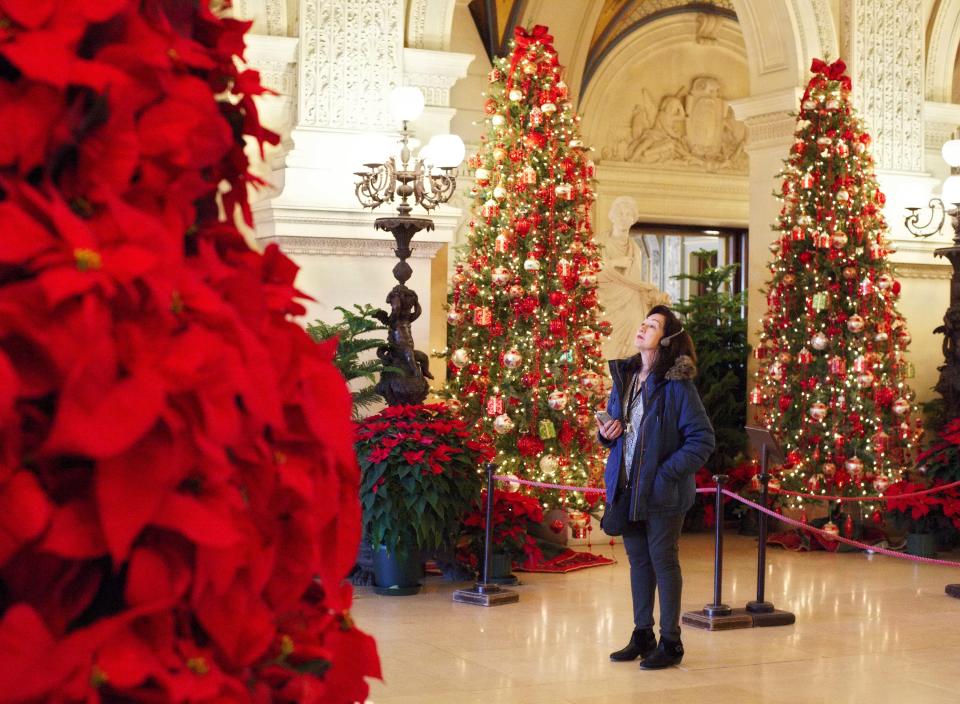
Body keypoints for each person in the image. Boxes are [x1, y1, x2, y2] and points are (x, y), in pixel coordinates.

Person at [597, 304, 715, 669]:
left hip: (663, 492)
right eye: (643, 322)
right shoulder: (627, 376)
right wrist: (607, 433)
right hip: (627, 488)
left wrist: (665, 474)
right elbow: (615, 428)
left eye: (652, 325)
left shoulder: (677, 385)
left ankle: (671, 641)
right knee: (638, 563)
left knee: (663, 561)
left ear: (665, 339)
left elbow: (702, 439)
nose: (643, 328)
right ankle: (642, 634)